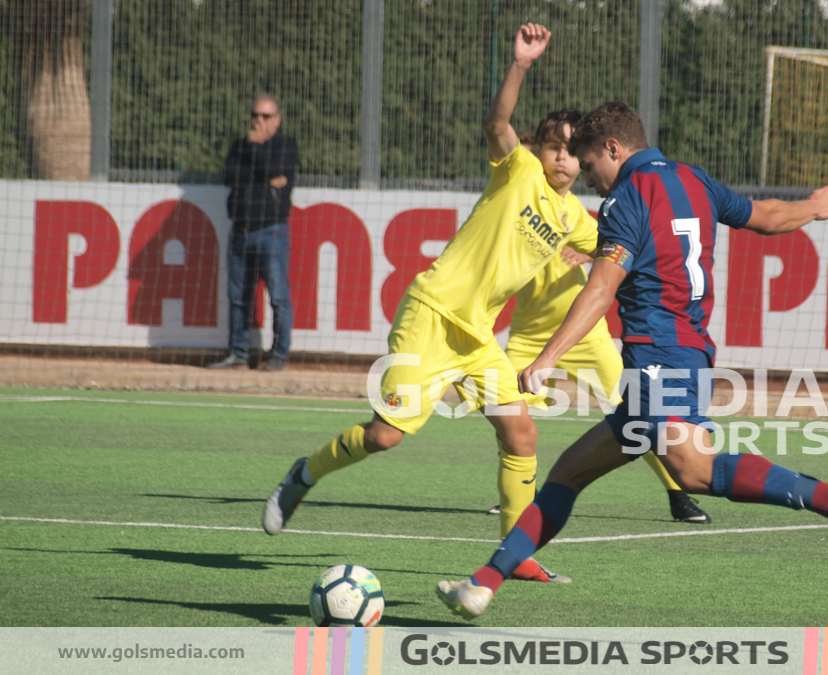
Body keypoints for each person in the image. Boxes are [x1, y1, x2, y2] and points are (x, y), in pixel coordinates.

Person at [437, 102, 828, 620]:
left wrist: (547, 358)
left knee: (693, 471)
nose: (593, 181)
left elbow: (603, 286)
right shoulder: (692, 180)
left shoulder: (627, 196)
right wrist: (813, 205)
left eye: (590, 165)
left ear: (613, 149)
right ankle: (483, 583)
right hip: (678, 352)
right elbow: (766, 216)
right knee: (567, 474)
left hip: (661, 354)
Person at [261, 24, 594, 583]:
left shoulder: (576, 219)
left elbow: (619, 248)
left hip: (478, 337)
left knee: (522, 433)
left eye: (570, 151)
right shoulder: (519, 169)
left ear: (583, 161)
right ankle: (305, 473)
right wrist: (519, 65)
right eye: (554, 146)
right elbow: (497, 124)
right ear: (540, 149)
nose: (561, 158)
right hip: (432, 315)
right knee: (384, 436)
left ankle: (517, 554)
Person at [494, 220, 713, 524]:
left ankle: (678, 495)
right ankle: (521, 495)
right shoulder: (510, 215)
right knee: (507, 415)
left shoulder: (568, 213)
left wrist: (591, 256)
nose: (560, 168)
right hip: (527, 338)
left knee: (643, 416)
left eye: (573, 167)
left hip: (586, 337)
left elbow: (619, 249)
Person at [208, 94, 298, 371]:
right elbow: (228, 176)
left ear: (277, 120)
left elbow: (278, 171)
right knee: (238, 297)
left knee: (278, 296)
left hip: (271, 232)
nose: (259, 121)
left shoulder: (285, 145)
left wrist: (257, 151)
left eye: (265, 116)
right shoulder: (240, 145)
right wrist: (262, 172)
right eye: (255, 115)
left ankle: (279, 356)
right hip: (240, 232)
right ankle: (238, 353)